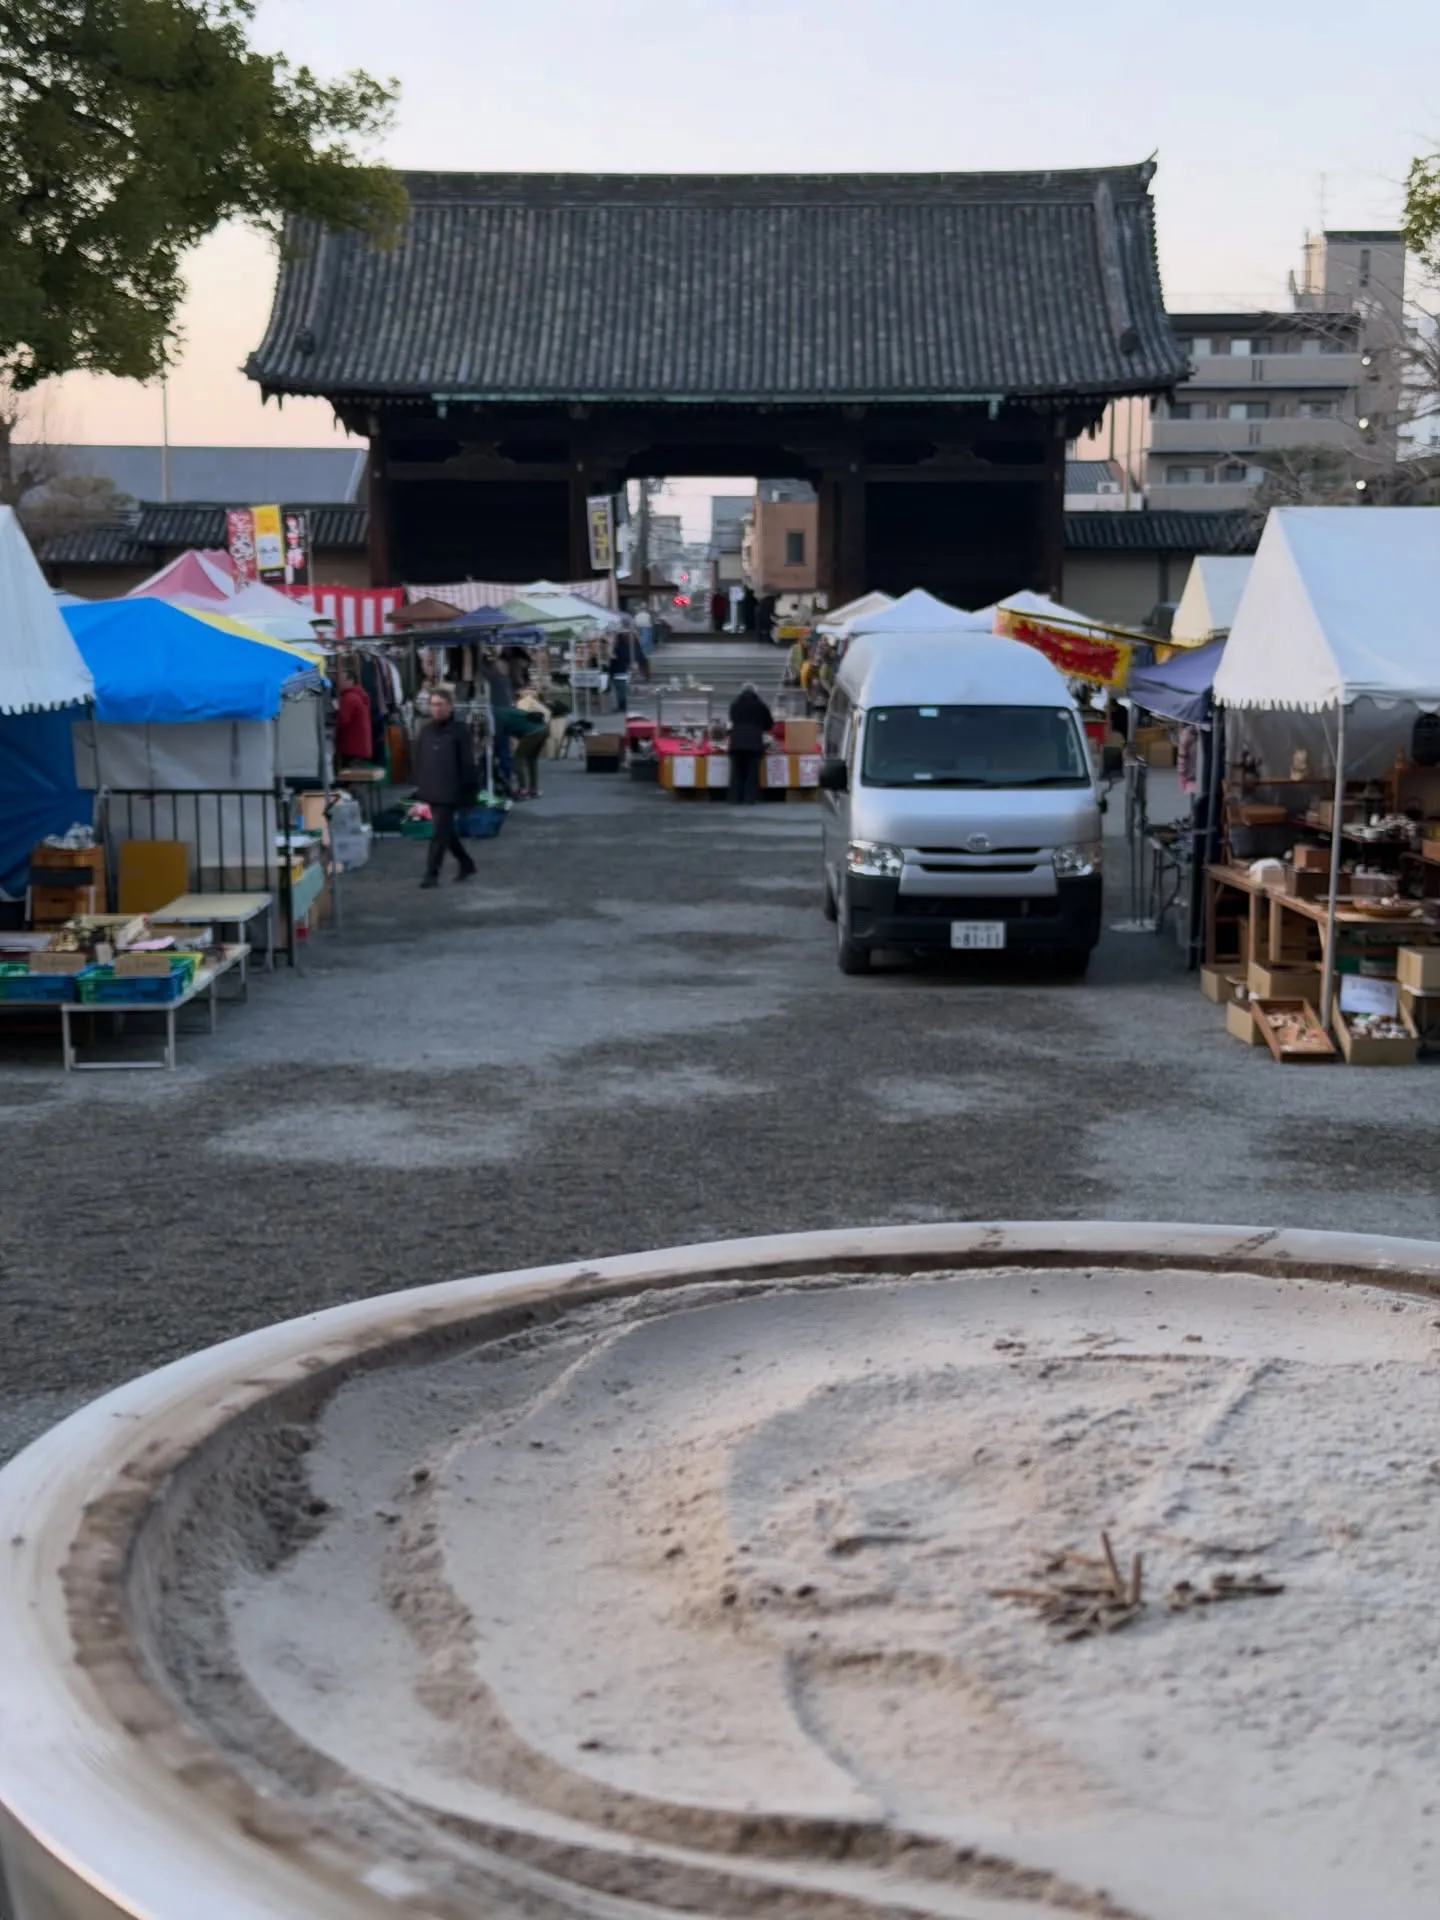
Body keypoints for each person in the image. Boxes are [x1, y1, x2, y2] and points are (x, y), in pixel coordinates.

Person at [413, 687, 477, 887]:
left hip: (451, 790)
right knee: (445, 831)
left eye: (440, 705)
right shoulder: (425, 731)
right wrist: (421, 786)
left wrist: (468, 792)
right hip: (431, 788)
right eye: (433, 705)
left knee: (439, 833)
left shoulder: (459, 732)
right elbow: (419, 759)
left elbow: (467, 764)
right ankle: (466, 863)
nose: (436, 709)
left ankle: (431, 873)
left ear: (450, 707)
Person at [727, 682, 773, 805]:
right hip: (754, 743)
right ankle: (749, 798)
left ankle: (735, 797)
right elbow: (769, 724)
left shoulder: (735, 704)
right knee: (752, 772)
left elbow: (732, 719)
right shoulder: (761, 705)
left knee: (736, 772)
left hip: (736, 741)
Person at [498, 698, 550, 799]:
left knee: (518, 760)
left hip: (532, 732)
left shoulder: (495, 716)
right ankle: (533, 789)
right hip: (544, 729)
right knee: (531, 759)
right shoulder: (504, 711)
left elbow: (497, 735)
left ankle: (523, 789)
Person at [334, 668, 372, 768]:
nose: (338, 683)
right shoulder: (358, 695)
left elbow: (343, 720)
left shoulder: (349, 698)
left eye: (342, 680)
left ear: (351, 681)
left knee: (351, 776)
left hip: (351, 747)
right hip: (360, 747)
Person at [610, 625, 635, 712]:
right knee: (622, 690)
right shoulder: (626, 648)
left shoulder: (616, 649)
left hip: (617, 671)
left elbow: (613, 659)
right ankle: (623, 706)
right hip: (624, 670)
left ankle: (621, 706)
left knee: (619, 691)